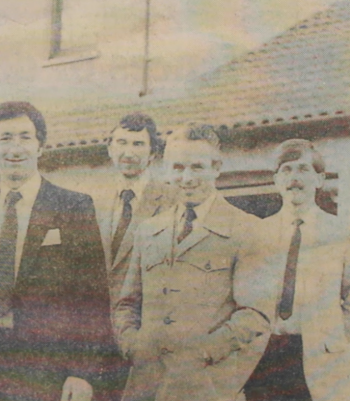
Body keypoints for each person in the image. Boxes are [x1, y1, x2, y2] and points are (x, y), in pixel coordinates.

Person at [0, 101, 114, 401]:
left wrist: (82, 372)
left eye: (26, 137)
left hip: (47, 373)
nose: (16, 148)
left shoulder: (73, 206)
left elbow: (93, 297)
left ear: (40, 147)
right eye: (5, 138)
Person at [113, 124, 271, 401]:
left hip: (205, 386)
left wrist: (203, 354)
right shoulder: (148, 230)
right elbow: (126, 304)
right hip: (145, 386)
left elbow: (254, 316)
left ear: (217, 167)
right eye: (177, 168)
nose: (186, 178)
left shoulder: (247, 230)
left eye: (197, 167)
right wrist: (133, 345)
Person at [242, 139, 350, 401]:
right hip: (266, 355)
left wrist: (338, 338)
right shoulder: (256, 233)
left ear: (320, 179)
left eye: (303, 169)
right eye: (287, 170)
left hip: (319, 356)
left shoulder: (341, 232)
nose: (294, 178)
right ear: (276, 180)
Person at [94, 112, 175, 301]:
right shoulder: (94, 202)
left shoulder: (172, 201)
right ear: (109, 149)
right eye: (122, 143)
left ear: (152, 153)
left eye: (138, 144)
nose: (128, 153)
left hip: (146, 314)